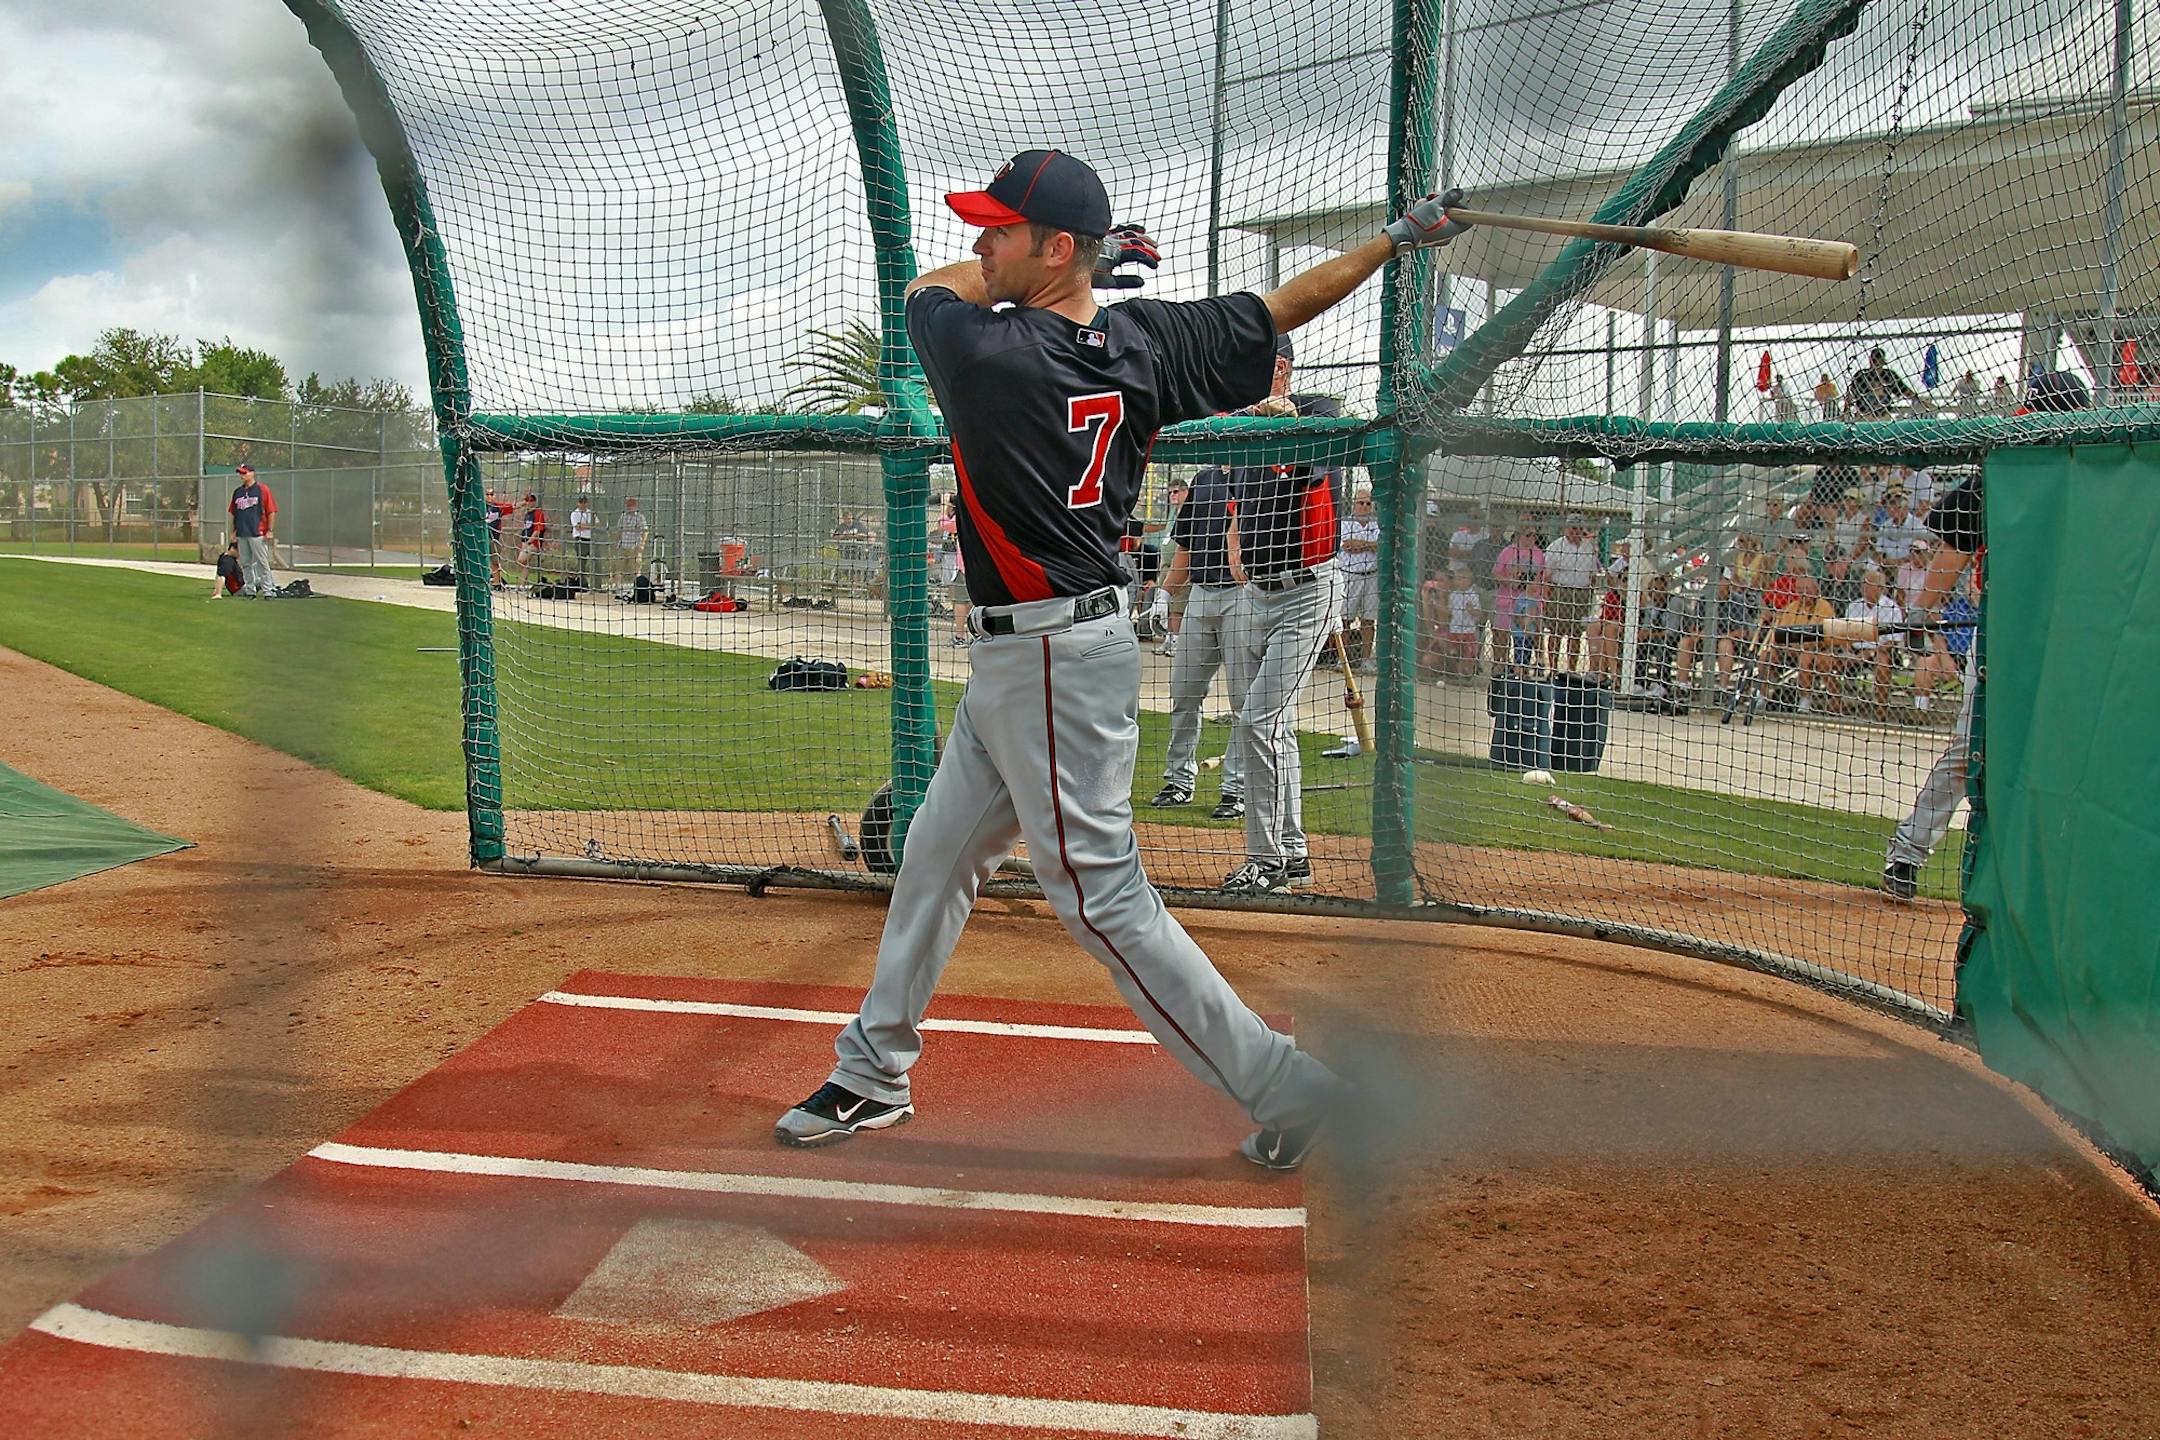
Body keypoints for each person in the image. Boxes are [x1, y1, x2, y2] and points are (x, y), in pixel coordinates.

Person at [771, 147, 1465, 1171]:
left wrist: (1091, 265)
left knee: (1101, 898)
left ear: (1054, 245)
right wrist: (1397, 239)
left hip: (1052, 656)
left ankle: (1290, 1084)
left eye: (1000, 229)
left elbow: (929, 285)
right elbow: (1281, 311)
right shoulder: (1145, 342)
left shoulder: (982, 353)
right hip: (1043, 652)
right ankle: (873, 1071)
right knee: (936, 854)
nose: (979, 243)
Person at [1222, 332, 1349, 860]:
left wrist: (1286, 414)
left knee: (1259, 722)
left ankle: (1265, 859)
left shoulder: (1319, 411)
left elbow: (1315, 451)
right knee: (1274, 726)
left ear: (1278, 369)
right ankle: (1292, 851)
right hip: (1258, 593)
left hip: (1307, 589)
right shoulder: (1242, 426)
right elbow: (1238, 508)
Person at [1883, 471, 1982, 900]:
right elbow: (1957, 544)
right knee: (1969, 746)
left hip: (2075, 633)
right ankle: (1907, 853)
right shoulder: (1999, 474)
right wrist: (1922, 609)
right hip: (2004, 630)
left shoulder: (2104, 470)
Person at [1152, 463, 1248, 815]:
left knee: (1243, 699)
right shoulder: (1204, 479)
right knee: (1184, 692)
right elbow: (1185, 548)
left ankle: (1236, 789)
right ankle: (1179, 781)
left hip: (1242, 594)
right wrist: (1165, 593)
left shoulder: (1256, 471)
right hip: (1200, 594)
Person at [1541, 512, 1599, 673]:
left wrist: (1590, 594)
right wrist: (1547, 597)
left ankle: (1571, 671)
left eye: (1579, 528)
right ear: (1566, 528)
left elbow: (1593, 573)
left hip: (1582, 593)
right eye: (1573, 528)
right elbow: (1546, 575)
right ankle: (1552, 669)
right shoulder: (1556, 546)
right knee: (1556, 632)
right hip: (1561, 591)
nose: (1576, 531)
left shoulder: (1589, 547)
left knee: (1576, 634)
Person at [1336, 485, 1381, 670]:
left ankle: (1366, 660)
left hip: (1371, 576)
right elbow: (1347, 545)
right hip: (1349, 576)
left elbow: (1380, 545)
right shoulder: (1345, 523)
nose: (1364, 506)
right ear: (1354, 504)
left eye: (1368, 503)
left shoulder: (1378, 523)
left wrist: (1362, 544)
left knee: (1368, 620)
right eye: (1360, 503)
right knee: (1345, 619)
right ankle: (1343, 660)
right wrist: (1369, 545)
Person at [1490, 522, 1545, 671]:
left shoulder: (1539, 553)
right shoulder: (1508, 552)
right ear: (1520, 535)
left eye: (1535, 535)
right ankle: (1500, 663)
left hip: (1529, 599)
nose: (1532, 538)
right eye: (1528, 535)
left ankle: (1528, 665)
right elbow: (1496, 573)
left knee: (1529, 633)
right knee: (1501, 633)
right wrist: (1510, 580)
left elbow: (1541, 577)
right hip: (1508, 598)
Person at [226, 463, 277, 597]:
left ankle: (268, 590)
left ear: (252, 473)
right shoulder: (238, 492)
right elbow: (234, 513)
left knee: (262, 562)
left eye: (244, 472)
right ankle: (250, 590)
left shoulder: (262, 490)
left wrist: (269, 530)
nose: (242, 475)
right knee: (246, 563)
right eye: (240, 473)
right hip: (242, 533)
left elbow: (271, 511)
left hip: (257, 532)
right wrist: (234, 531)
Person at [1847, 347, 1916, 418]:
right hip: (1864, 413)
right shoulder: (1862, 375)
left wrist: (1919, 399)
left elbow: (1904, 390)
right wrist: (1846, 410)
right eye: (1874, 360)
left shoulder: (1890, 375)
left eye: (1878, 359)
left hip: (1883, 414)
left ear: (1883, 360)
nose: (1876, 361)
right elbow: (1850, 394)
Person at [614, 496, 649, 588]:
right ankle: (617, 587)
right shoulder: (623, 516)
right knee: (619, 568)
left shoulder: (640, 517)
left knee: (636, 569)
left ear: (635, 506)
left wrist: (642, 544)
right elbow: (619, 530)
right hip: (623, 545)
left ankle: (638, 587)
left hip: (635, 546)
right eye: (628, 505)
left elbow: (645, 531)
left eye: (631, 505)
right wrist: (616, 542)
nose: (629, 507)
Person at [517, 492, 549, 587]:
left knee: (521, 560)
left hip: (533, 543)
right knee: (524, 564)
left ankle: (522, 584)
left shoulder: (538, 513)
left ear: (534, 502)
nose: (529, 502)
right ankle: (522, 585)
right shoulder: (527, 514)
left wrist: (529, 541)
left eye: (531, 500)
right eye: (527, 500)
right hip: (525, 542)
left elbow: (538, 530)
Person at [485, 486, 514, 588]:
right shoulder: (480, 507)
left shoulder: (498, 507)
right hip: (481, 539)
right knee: (482, 561)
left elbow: (513, 507)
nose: (489, 496)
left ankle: (497, 583)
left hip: (494, 538)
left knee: (494, 561)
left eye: (491, 494)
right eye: (487, 494)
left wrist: (524, 502)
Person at [568, 494, 595, 589]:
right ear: (578, 503)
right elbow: (577, 527)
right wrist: (589, 525)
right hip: (580, 539)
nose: (583, 504)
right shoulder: (574, 513)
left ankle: (596, 585)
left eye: (584, 502)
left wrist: (584, 525)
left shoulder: (590, 513)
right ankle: (583, 584)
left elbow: (597, 524)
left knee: (596, 562)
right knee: (582, 563)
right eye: (581, 502)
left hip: (591, 540)